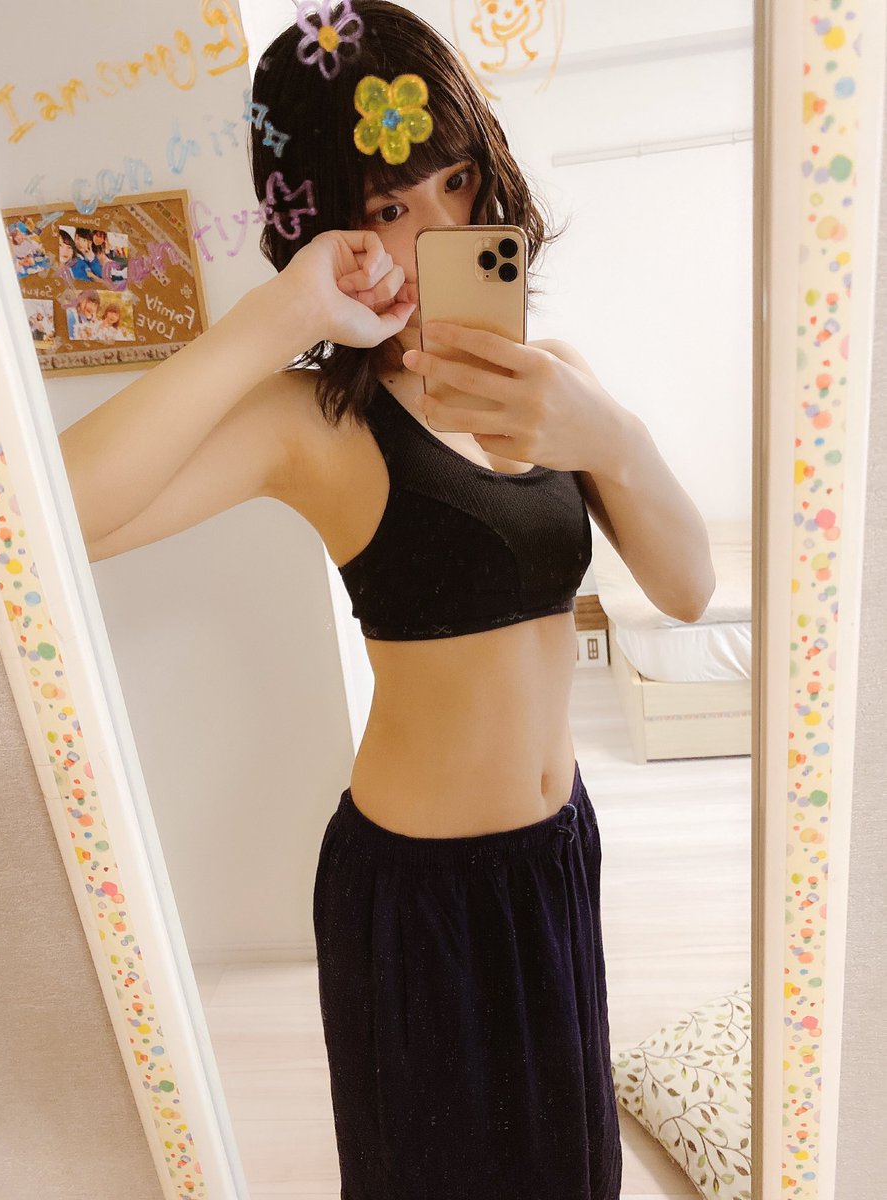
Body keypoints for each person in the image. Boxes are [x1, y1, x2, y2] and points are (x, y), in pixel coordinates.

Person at [59, 3, 714, 1196]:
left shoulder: (557, 384)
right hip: (418, 894)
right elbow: (36, 526)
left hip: (556, 851)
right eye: (389, 207)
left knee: (569, 1169)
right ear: (323, 226)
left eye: (456, 182)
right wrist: (277, 320)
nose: (441, 232)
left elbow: (687, 587)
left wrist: (610, 438)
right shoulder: (317, 423)